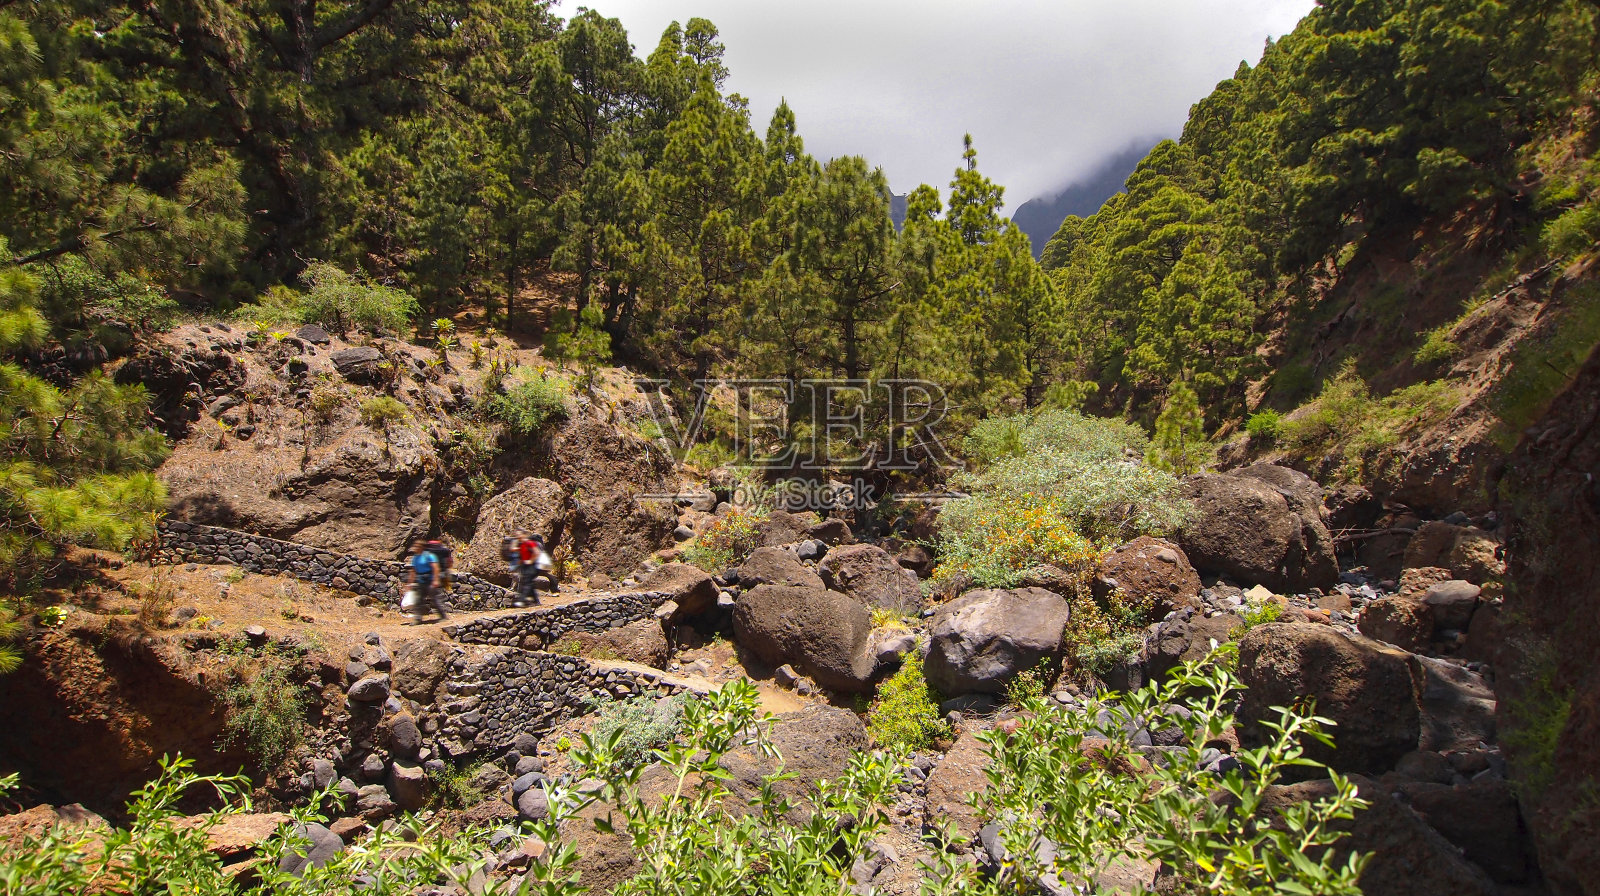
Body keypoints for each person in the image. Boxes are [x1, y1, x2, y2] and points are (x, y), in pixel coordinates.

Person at [406, 537, 448, 623]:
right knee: (418, 600)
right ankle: (417, 619)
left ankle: (443, 616)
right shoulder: (415, 558)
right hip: (421, 580)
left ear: (422, 547)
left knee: (435, 600)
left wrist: (435, 580)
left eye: (417, 546)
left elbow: (436, 568)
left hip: (430, 580)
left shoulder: (429, 556)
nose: (415, 547)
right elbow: (413, 571)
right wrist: (409, 583)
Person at [514, 532, 558, 607]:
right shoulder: (540, 545)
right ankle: (533, 600)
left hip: (533, 566)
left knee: (527, 582)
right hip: (536, 566)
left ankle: (523, 600)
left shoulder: (534, 544)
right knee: (528, 582)